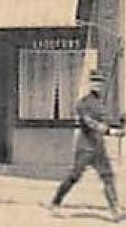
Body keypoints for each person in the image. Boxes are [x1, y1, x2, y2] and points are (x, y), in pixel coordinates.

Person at [50, 69, 122, 218]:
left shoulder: (101, 104)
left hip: (98, 147)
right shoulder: (82, 103)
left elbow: (106, 120)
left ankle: (115, 209)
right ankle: (55, 202)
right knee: (74, 176)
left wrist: (119, 123)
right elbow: (90, 123)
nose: (98, 85)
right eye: (95, 82)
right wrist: (110, 132)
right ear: (90, 84)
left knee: (107, 176)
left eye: (100, 82)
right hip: (85, 147)